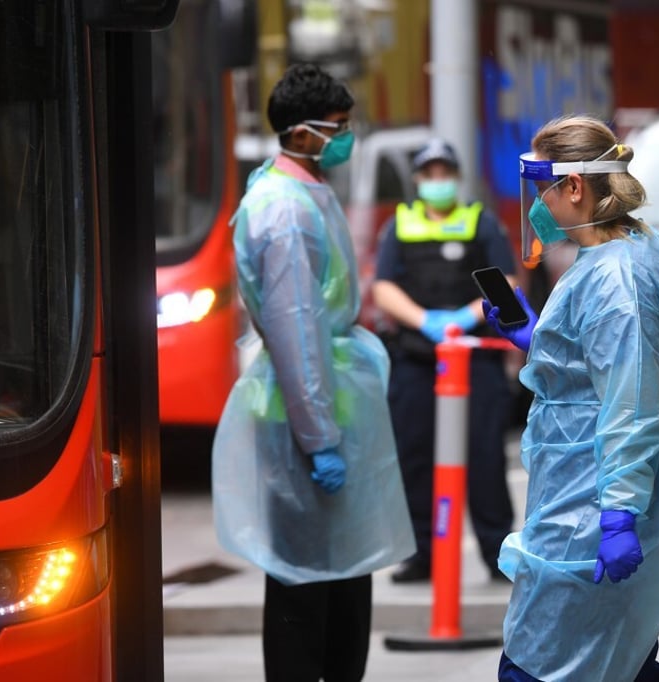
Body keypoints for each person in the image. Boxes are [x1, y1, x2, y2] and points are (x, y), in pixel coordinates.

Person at [483, 115, 659, 681]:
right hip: (584, 491)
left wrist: (618, 515)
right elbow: (601, 368)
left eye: (541, 189)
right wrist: (539, 342)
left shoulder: (617, 279)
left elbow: (630, 404)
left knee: (538, 667)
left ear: (574, 187)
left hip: (594, 504)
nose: (537, 205)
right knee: (615, 662)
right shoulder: (620, 255)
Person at [211, 63, 415, 682]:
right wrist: (320, 439)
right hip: (306, 419)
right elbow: (299, 334)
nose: (346, 139)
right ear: (302, 135)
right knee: (306, 587)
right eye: (339, 128)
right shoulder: (285, 214)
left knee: (343, 577)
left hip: (328, 403)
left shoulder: (301, 193)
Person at [371, 138, 516, 583]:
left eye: (444, 173)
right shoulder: (400, 225)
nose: (437, 181)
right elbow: (383, 287)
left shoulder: (480, 224)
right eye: (429, 174)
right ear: (417, 180)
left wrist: (464, 319)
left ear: (455, 176)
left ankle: (497, 554)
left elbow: (505, 282)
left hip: (475, 361)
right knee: (415, 458)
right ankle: (421, 555)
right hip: (417, 361)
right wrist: (425, 321)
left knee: (485, 457)